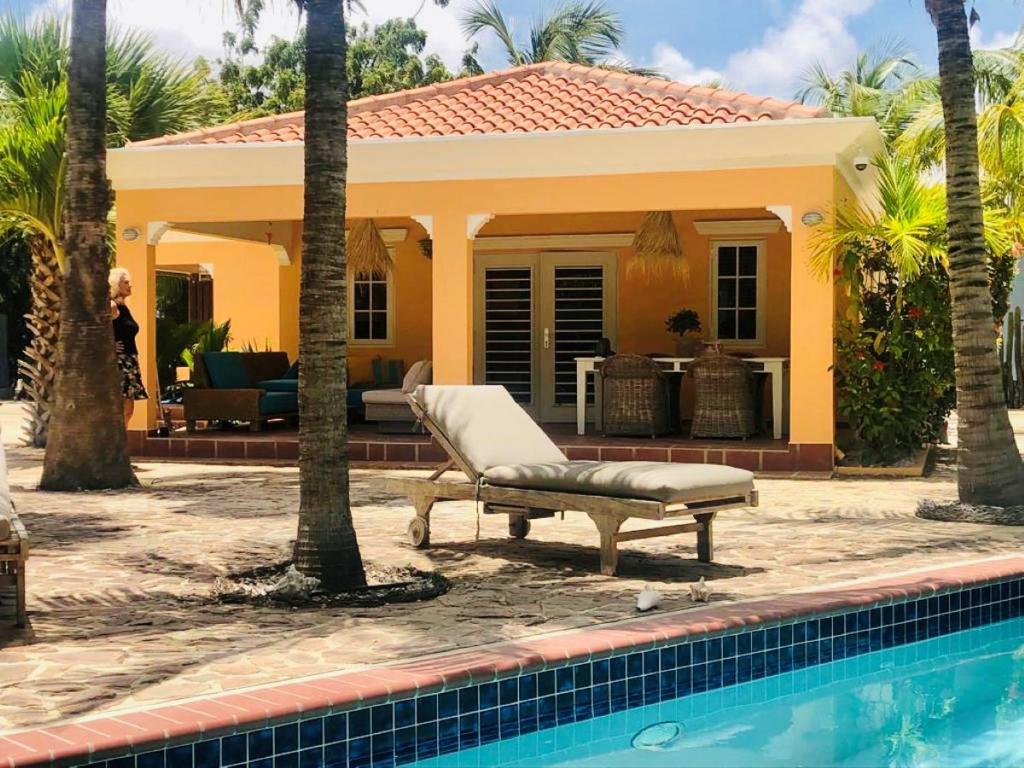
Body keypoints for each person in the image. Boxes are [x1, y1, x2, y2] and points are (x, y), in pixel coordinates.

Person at [109, 267, 148, 426]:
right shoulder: (112, 306)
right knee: (122, 408)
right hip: (121, 363)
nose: (130, 285)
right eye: (126, 282)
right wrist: (109, 346)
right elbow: (95, 328)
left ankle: (120, 444)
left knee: (128, 409)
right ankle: (115, 445)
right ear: (116, 284)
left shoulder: (123, 307)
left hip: (130, 361)